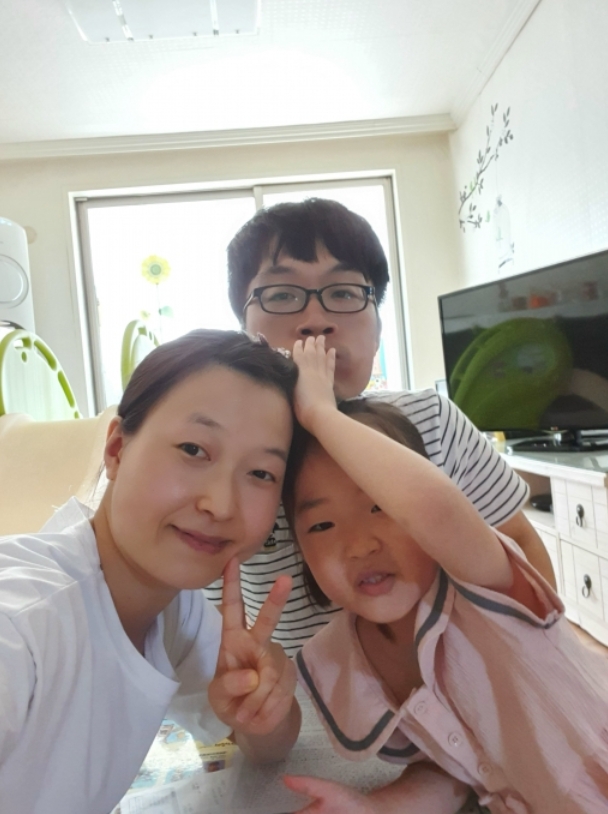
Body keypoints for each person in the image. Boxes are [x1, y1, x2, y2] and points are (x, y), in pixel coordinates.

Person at [204, 198, 555, 655]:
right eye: (282, 295)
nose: (316, 322)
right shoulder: (218, 455)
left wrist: (540, 659)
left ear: (377, 330)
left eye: (344, 293)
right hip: (299, 694)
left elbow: (518, 542)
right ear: (243, 329)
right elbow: (207, 613)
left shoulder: (431, 422)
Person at [281, 336, 608, 814]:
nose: (359, 545)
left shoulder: (485, 588)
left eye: (381, 504)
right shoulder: (346, 658)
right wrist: (377, 808)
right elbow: (457, 769)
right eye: (322, 525)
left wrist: (320, 414)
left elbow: (438, 510)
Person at [0, 330, 301, 814]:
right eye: (193, 449)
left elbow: (264, 745)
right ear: (116, 449)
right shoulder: (21, 625)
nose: (221, 504)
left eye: (261, 473)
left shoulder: (173, 609)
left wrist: (264, 705)